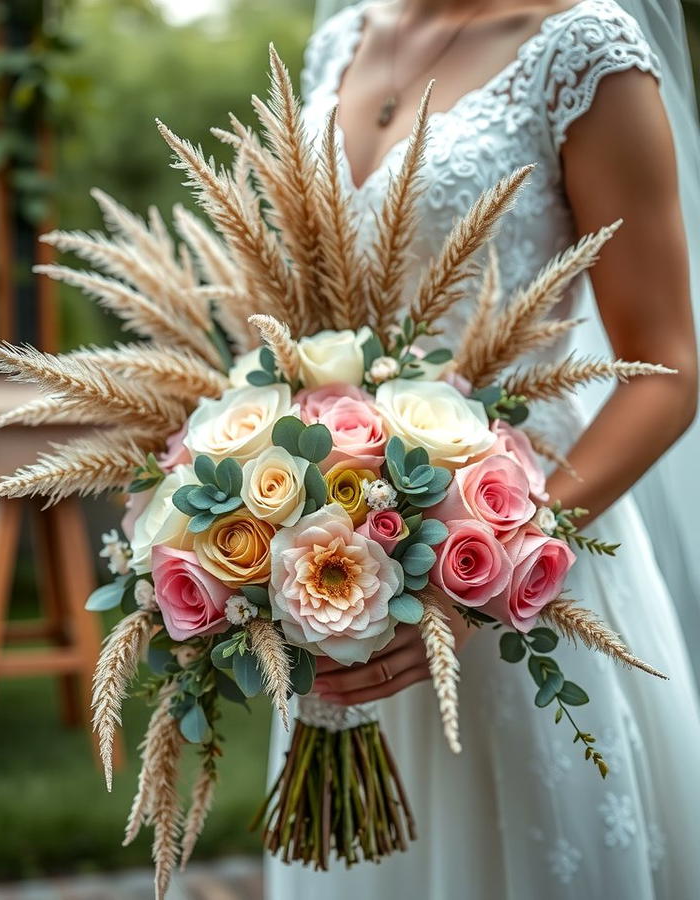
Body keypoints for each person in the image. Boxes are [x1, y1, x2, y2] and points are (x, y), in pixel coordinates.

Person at [267, 1, 700, 897]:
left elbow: (668, 370)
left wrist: (490, 570)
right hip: (336, 565)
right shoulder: (339, 37)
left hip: (522, 560)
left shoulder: (583, 48)